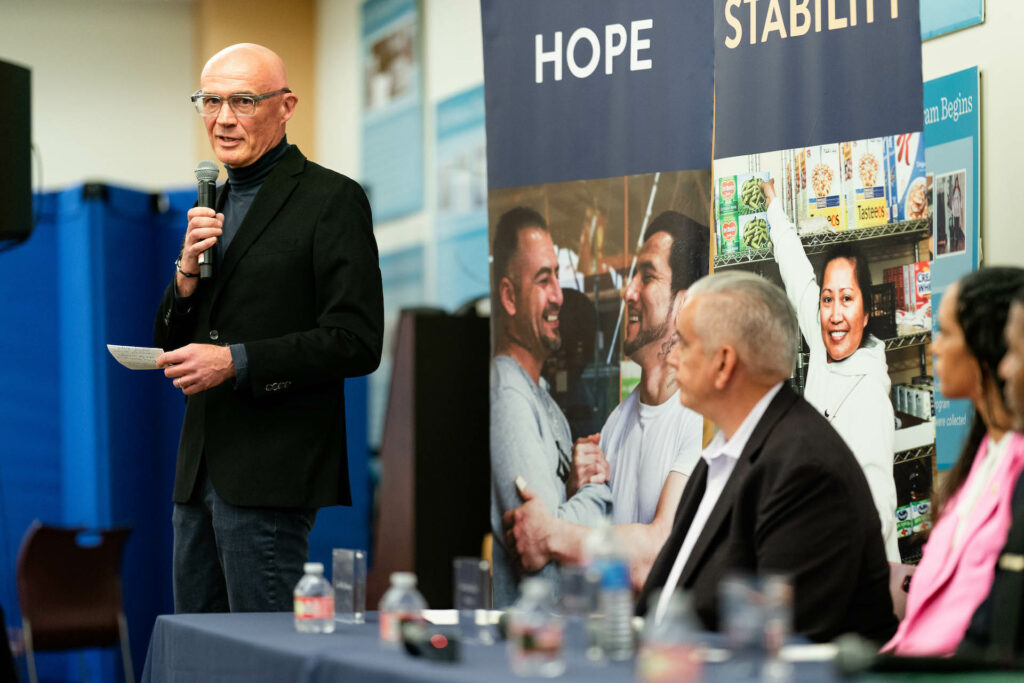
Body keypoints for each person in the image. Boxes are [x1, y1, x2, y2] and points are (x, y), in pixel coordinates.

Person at [153, 44, 383, 613]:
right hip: (198, 471)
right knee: (197, 653)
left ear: (286, 106)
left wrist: (236, 361)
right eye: (210, 101)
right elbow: (171, 342)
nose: (223, 118)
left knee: (259, 660)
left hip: (271, 472)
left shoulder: (331, 199)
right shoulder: (213, 203)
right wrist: (184, 275)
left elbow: (355, 341)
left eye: (243, 101)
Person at [637, 271, 897, 644]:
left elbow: (773, 654)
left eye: (683, 343)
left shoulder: (807, 474)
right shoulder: (719, 456)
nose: (671, 357)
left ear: (724, 364)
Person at [503, 211, 706, 588]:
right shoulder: (617, 423)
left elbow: (658, 551)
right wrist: (577, 489)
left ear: (686, 304)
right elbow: (598, 555)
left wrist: (552, 535)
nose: (628, 292)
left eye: (647, 277)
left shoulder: (702, 421)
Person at [882, 267, 1024, 657]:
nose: (934, 347)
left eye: (946, 333)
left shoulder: (1017, 470)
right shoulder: (981, 457)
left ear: (985, 345)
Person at [762, 180, 899, 561]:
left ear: (867, 311)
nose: (835, 314)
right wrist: (774, 205)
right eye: (828, 299)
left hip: (857, 573)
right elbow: (797, 273)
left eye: (847, 299)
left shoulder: (870, 396)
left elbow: (879, 509)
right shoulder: (825, 344)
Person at [489, 207, 612, 607]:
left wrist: (572, 487)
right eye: (544, 280)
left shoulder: (542, 399)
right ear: (509, 296)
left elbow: (551, 527)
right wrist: (595, 492)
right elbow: (547, 567)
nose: (559, 295)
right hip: (526, 649)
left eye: (557, 276)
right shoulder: (508, 396)